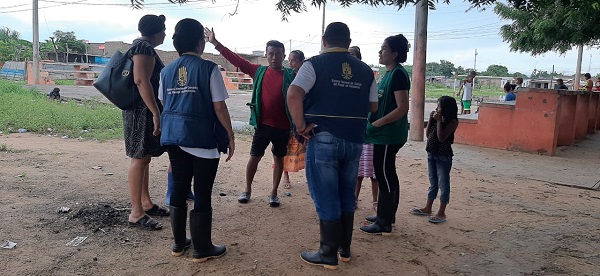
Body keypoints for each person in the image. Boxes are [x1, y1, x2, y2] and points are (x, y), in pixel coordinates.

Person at [287, 22, 378, 269]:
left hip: (324, 137)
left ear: (324, 40)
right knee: (346, 193)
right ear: (348, 42)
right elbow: (373, 106)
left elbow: (294, 94)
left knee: (326, 195)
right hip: (354, 140)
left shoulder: (313, 65)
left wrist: (301, 125)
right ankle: (344, 249)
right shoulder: (366, 71)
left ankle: (327, 253)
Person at [160, 18, 235, 262]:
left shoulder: (166, 71)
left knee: (180, 188)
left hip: (172, 135)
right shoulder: (209, 68)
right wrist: (230, 136)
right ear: (200, 43)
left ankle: (179, 243)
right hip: (201, 138)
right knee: (202, 192)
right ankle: (202, 248)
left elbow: (164, 103)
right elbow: (220, 108)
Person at [204, 27, 295, 207]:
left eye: (278, 54)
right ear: (266, 55)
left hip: (283, 127)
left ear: (284, 55)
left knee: (278, 159)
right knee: (254, 157)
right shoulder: (258, 71)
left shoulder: (291, 75)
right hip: (262, 125)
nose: (274, 57)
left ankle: (274, 193)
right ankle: (247, 190)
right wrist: (215, 43)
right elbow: (236, 59)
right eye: (271, 54)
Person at [359, 34, 410, 236]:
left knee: (384, 175)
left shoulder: (398, 74)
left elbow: (402, 107)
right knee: (387, 174)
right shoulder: (387, 73)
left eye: (384, 49)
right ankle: (387, 214)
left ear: (395, 53)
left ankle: (384, 222)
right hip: (382, 134)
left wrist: (377, 124)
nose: (380, 52)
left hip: (388, 135)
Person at [124, 14, 168, 231]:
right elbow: (141, 81)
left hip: (141, 110)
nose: (165, 34)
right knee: (139, 159)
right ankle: (136, 213)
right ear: (156, 31)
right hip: (142, 112)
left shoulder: (139, 46)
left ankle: (145, 203)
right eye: (163, 29)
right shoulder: (143, 49)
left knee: (144, 157)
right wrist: (155, 113)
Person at [410, 96, 459, 224]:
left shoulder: (452, 121)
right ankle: (428, 207)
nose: (437, 109)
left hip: (443, 156)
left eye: (439, 107)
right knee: (433, 182)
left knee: (443, 184)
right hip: (431, 153)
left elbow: (441, 137)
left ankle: (442, 212)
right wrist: (432, 120)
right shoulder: (437, 119)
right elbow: (428, 135)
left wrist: (438, 122)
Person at [349, 45, 379, 211]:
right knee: (358, 172)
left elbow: (373, 106)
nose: (350, 57)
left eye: (353, 54)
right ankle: (354, 199)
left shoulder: (365, 75)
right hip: (356, 133)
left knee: (373, 172)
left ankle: (375, 201)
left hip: (366, 131)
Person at [282, 50, 306, 189]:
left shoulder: (307, 76)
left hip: (303, 118)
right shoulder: (287, 75)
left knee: (306, 148)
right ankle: (286, 176)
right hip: (287, 117)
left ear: (301, 62)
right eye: (289, 60)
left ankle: (309, 177)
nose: (290, 63)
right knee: (285, 148)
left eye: (293, 61)